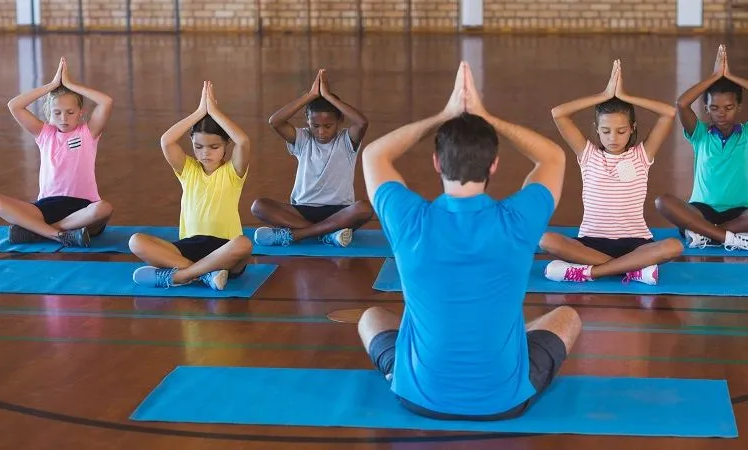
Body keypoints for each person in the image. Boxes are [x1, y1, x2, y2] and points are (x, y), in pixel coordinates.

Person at [357, 62, 581, 420]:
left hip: (418, 397)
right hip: (503, 401)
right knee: (566, 318)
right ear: (493, 165)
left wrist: (443, 116)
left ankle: (396, 372)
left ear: (436, 162)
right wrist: (487, 117)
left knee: (371, 317)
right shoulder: (517, 221)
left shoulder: (409, 220)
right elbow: (552, 156)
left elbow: (374, 155)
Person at [541, 60, 683, 285]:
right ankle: (631, 271)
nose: (613, 138)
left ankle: (589, 272)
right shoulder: (588, 154)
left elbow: (668, 113)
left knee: (674, 246)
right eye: (606, 131)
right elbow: (558, 114)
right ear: (597, 129)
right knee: (547, 240)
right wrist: (605, 94)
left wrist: (626, 96)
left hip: (636, 244)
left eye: (621, 131)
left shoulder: (641, 155)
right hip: (591, 244)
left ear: (632, 129)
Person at [655, 44, 748, 251]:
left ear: (738, 107)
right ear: (706, 109)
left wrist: (730, 76)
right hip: (701, 211)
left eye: (729, 107)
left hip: (741, 213)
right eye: (714, 108)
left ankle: (706, 234)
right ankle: (731, 238)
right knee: (662, 202)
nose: (721, 114)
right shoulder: (700, 135)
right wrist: (715, 76)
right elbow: (682, 103)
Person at [128, 81, 252, 291]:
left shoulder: (233, 172)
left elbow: (243, 142)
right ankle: (204, 275)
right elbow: (166, 141)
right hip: (189, 247)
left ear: (225, 146)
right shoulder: (188, 170)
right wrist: (199, 112)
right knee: (136, 241)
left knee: (244, 244)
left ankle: (181, 276)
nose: (205, 153)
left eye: (214, 147)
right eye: (198, 146)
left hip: (224, 250)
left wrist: (214, 111)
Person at [0, 57, 114, 247]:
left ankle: (41, 232)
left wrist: (70, 85)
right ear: (48, 114)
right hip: (47, 207)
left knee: (104, 208)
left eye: (70, 112)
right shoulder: (44, 134)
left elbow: (106, 102)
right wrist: (51, 85)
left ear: (81, 112)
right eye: (57, 113)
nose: (64, 118)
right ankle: (59, 235)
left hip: (84, 209)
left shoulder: (88, 132)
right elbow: (14, 105)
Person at [252, 69, 373, 248]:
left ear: (339, 121)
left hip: (338, 212)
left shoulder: (347, 141)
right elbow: (275, 121)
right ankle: (328, 235)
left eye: (328, 126)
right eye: (315, 125)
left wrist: (330, 97)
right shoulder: (303, 139)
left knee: (365, 208)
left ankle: (298, 235)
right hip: (302, 211)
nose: (321, 131)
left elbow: (362, 122)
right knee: (259, 206)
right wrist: (310, 95)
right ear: (307, 121)